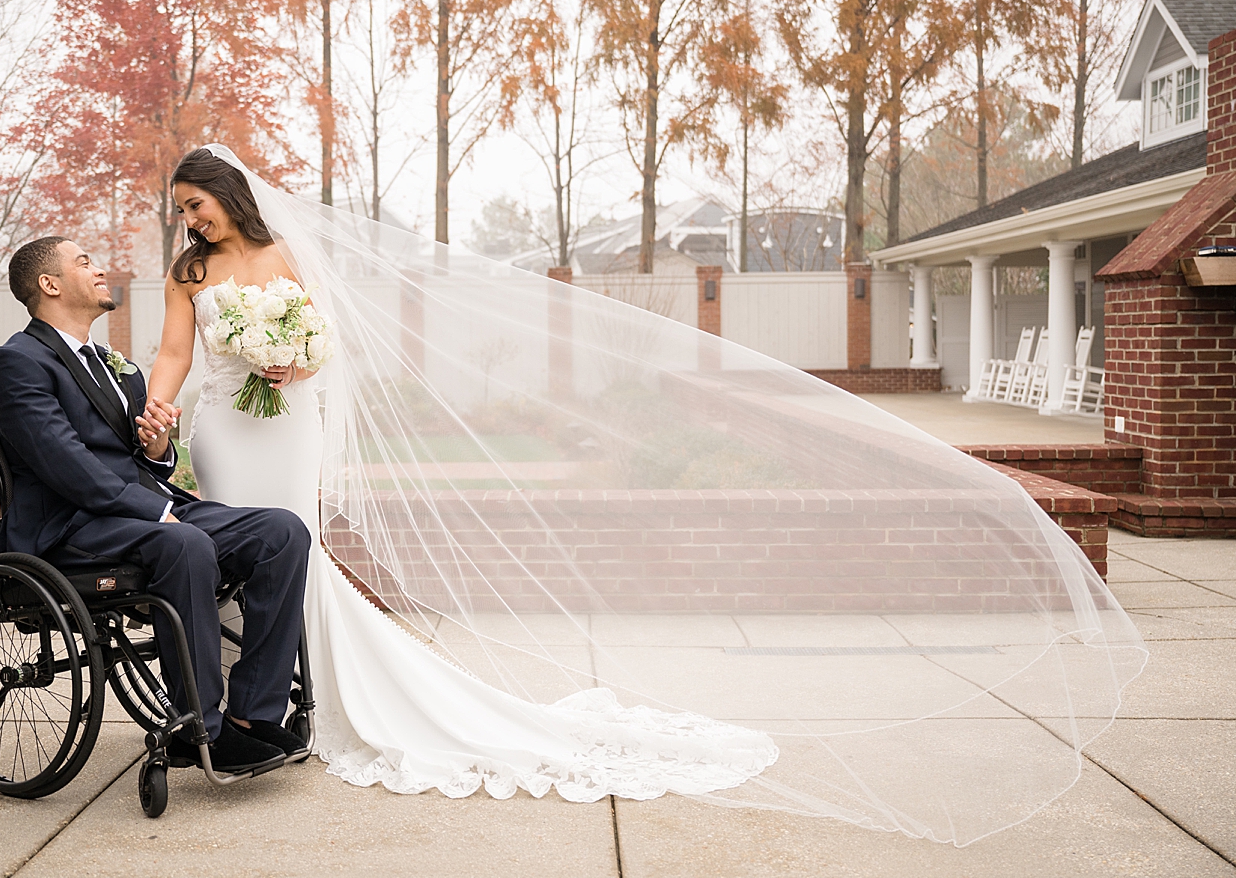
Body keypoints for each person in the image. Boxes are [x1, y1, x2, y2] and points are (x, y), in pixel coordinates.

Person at [132, 142, 1146, 846]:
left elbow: (323, 342)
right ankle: (264, 699)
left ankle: (289, 701)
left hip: (288, 422)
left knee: (294, 544)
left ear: (231, 192)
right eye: (182, 210)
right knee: (243, 550)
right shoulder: (190, 271)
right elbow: (175, 353)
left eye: (198, 202)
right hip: (226, 429)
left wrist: (293, 359)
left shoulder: (285, 253)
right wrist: (165, 409)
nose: (191, 219)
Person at [0, 235, 311, 777]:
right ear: (50, 284)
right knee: (183, 541)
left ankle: (254, 715)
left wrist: (157, 446)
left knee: (282, 532)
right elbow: (62, 461)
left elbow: (145, 457)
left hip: (143, 509)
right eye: (83, 261)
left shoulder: (114, 365)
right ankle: (197, 725)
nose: (98, 269)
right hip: (72, 527)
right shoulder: (16, 361)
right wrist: (156, 512)